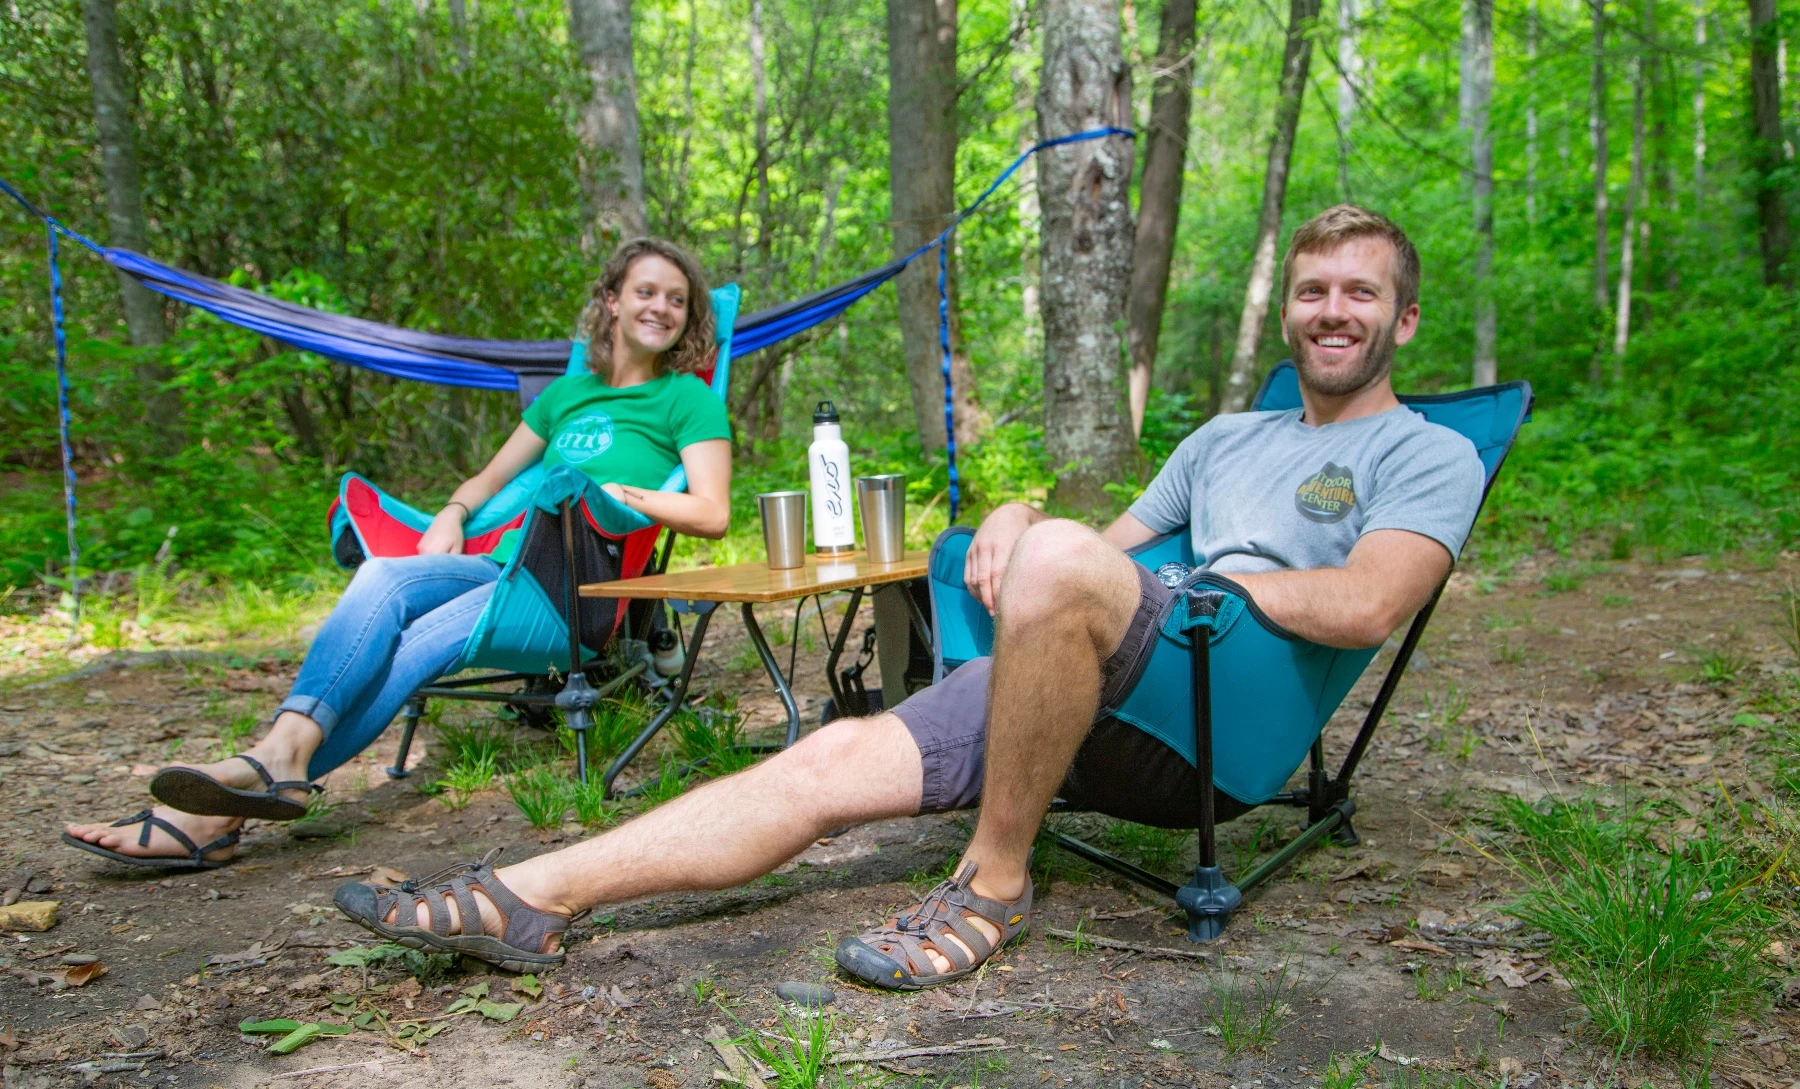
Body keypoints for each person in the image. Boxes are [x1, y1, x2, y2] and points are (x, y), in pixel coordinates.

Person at [329, 204, 1486, 987]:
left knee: (1057, 558)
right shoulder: (1226, 437)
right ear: (1288, 312)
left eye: (1361, 293)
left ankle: (994, 882)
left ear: (1404, 319)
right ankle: (529, 897)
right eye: (1313, 291)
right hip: (1104, 683)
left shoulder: (1428, 453)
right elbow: (1111, 551)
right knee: (830, 757)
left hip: (1216, 722)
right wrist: (1020, 515)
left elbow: (1365, 607)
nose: (1333, 311)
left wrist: (1180, 584)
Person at [63, 238, 734, 871]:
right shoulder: (567, 394)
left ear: (688, 316)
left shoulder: (686, 398)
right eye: (646, 291)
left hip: (573, 592)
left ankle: (225, 803)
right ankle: (276, 760)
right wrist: (454, 513)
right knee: (384, 574)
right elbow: (489, 480)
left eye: (677, 300)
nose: (661, 308)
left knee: (415, 643)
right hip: (503, 567)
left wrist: (619, 494)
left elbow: (712, 513)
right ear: (612, 300)